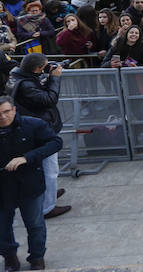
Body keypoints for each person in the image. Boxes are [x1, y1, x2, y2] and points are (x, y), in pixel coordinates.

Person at [0, 96, 63, 271]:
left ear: (14, 110)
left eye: (6, 112)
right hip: (3, 189)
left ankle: (37, 257)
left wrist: (27, 158)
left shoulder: (33, 125)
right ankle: (10, 257)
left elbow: (55, 142)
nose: (4, 117)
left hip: (29, 185)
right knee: (2, 228)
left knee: (35, 224)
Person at [5, 54, 70, 220]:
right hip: (40, 131)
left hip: (33, 127)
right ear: (36, 69)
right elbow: (49, 100)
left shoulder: (17, 75)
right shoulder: (26, 85)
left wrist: (47, 77)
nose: (48, 68)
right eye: (44, 66)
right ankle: (48, 207)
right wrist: (55, 79)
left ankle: (49, 193)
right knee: (50, 169)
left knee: (42, 167)